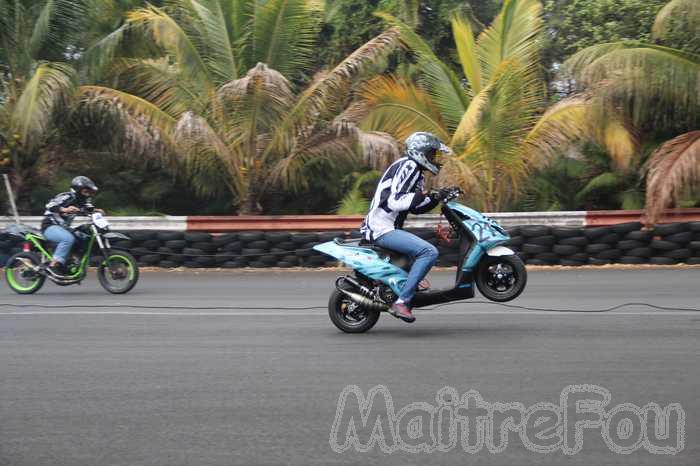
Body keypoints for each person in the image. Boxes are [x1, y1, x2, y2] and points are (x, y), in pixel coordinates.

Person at [360, 132, 454, 323]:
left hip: (388, 227)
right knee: (428, 252)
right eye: (431, 154)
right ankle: (402, 302)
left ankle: (405, 286)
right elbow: (396, 200)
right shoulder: (409, 165)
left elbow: (416, 207)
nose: (434, 159)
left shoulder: (416, 172)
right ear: (420, 152)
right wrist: (427, 194)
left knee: (421, 249)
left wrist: (436, 197)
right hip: (381, 228)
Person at [41, 176, 102, 276]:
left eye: (89, 192)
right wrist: (64, 209)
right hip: (50, 226)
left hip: (62, 228)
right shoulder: (66, 196)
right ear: (78, 189)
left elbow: (88, 209)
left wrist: (97, 211)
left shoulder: (82, 201)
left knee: (82, 236)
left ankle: (70, 262)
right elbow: (50, 205)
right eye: (86, 191)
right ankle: (53, 265)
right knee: (68, 239)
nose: (88, 194)